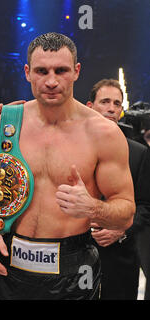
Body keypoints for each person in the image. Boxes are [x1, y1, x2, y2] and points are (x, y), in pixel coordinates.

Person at [0, 32, 135, 300]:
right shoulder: (7, 123)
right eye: (41, 71)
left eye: (61, 70)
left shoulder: (103, 134)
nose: (50, 81)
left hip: (72, 274)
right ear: (27, 72)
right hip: (8, 264)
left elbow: (126, 213)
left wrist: (92, 207)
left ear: (76, 71)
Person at [87, 79, 150, 299]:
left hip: (120, 258)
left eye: (117, 103)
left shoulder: (139, 153)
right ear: (90, 106)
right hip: (74, 254)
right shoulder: (69, 146)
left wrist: (121, 231)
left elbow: (145, 207)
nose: (111, 108)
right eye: (105, 101)